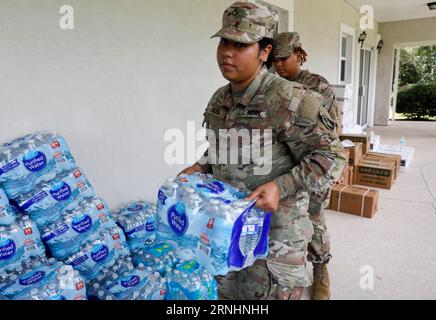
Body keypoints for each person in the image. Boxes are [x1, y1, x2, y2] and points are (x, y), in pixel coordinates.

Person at [180, 1, 346, 300]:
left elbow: (331, 156)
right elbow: (223, 146)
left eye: (241, 44)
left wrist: (281, 186)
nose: (227, 52)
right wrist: (201, 166)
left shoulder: (290, 99)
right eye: (224, 42)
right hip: (228, 232)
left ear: (264, 52)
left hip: (275, 243)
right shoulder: (220, 97)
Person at [273, 32, 341, 300]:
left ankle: (321, 268)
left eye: (284, 58)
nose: (278, 65)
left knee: (314, 219)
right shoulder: (271, 85)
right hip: (283, 168)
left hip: (312, 166)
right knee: (286, 222)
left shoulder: (318, 86)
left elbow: (331, 132)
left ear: (299, 55)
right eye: (274, 60)